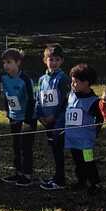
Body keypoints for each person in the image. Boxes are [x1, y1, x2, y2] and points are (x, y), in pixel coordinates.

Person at [64, 63, 103, 195]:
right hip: (73, 139)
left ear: (86, 83)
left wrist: (94, 132)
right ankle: (81, 181)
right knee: (78, 161)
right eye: (72, 81)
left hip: (85, 142)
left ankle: (95, 183)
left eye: (76, 82)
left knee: (88, 161)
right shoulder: (71, 95)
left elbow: (100, 119)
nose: (73, 84)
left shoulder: (94, 101)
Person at [0, 49, 36, 186]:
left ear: (18, 63)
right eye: (4, 63)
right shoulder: (4, 78)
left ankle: (27, 175)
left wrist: (27, 121)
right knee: (16, 146)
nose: (6, 66)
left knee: (25, 148)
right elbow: (7, 97)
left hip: (27, 119)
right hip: (14, 117)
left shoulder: (25, 80)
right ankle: (18, 172)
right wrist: (8, 114)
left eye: (9, 62)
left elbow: (31, 101)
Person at [37, 43, 69, 192]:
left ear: (61, 61)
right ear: (45, 60)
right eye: (51, 59)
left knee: (58, 150)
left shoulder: (63, 78)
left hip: (58, 121)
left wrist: (54, 117)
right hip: (46, 121)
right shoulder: (42, 79)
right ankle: (56, 177)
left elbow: (64, 101)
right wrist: (40, 115)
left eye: (57, 59)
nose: (54, 62)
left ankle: (60, 180)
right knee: (53, 149)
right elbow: (39, 98)